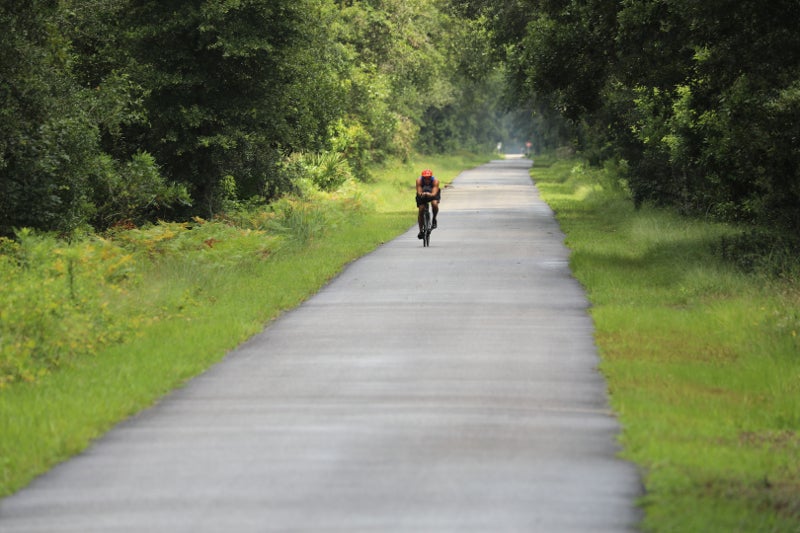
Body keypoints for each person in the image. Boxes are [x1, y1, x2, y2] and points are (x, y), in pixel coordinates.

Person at [415, 169, 440, 239]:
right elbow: (419, 191)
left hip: (432, 193)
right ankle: (421, 231)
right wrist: (422, 194)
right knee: (421, 209)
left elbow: (434, 193)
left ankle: (434, 218)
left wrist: (429, 194)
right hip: (423, 193)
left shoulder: (435, 181)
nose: (427, 179)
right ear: (422, 177)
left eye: (428, 177)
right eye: (425, 178)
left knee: (434, 203)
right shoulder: (419, 180)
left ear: (431, 177)